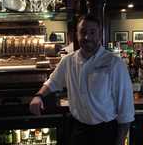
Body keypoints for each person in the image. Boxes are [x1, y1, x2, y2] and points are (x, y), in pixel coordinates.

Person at [29, 14, 135, 145]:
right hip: (78, 129)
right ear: (76, 34)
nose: (87, 37)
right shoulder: (68, 61)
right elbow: (53, 82)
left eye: (92, 32)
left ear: (99, 34)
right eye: (83, 32)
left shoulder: (114, 63)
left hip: (105, 131)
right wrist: (38, 96)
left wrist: (119, 141)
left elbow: (125, 108)